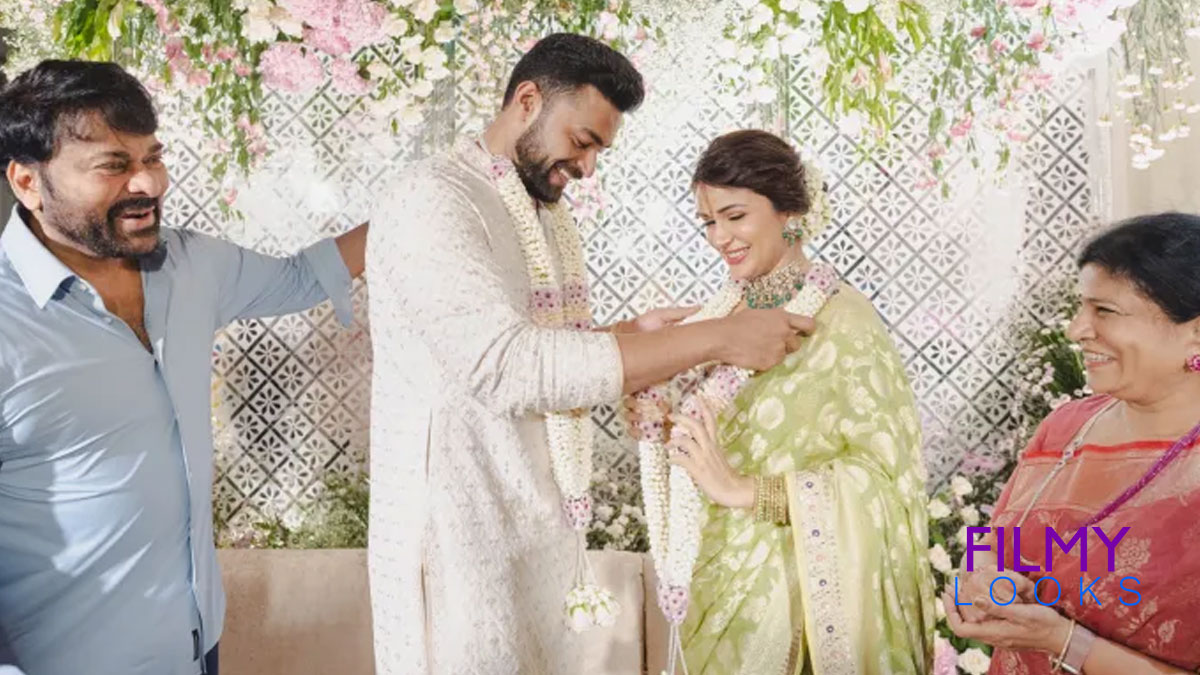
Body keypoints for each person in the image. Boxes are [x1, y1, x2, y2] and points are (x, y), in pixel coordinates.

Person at [366, 35, 815, 674]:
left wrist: (629, 334)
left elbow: (539, 348)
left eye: (599, 150)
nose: (588, 168)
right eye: (582, 142)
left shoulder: (534, 207)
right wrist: (717, 337)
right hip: (454, 542)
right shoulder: (434, 199)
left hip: (533, 529)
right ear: (528, 101)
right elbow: (505, 366)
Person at [0, 60, 367, 675]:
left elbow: (304, 277)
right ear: (28, 182)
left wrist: (426, 203)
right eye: (114, 165)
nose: (148, 182)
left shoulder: (193, 265)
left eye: (153, 156)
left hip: (199, 648)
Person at [631, 130, 935, 674]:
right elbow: (723, 432)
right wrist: (660, 422)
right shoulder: (718, 317)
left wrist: (744, 490)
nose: (719, 238)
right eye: (708, 222)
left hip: (799, 599)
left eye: (735, 216)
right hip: (711, 582)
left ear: (789, 213)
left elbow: (885, 483)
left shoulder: (844, 322)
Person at [945, 212, 1200, 674]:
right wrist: (982, 585)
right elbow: (993, 544)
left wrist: (1062, 641)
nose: (1075, 330)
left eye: (1105, 311)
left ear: (1195, 331)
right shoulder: (1067, 426)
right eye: (1082, 307)